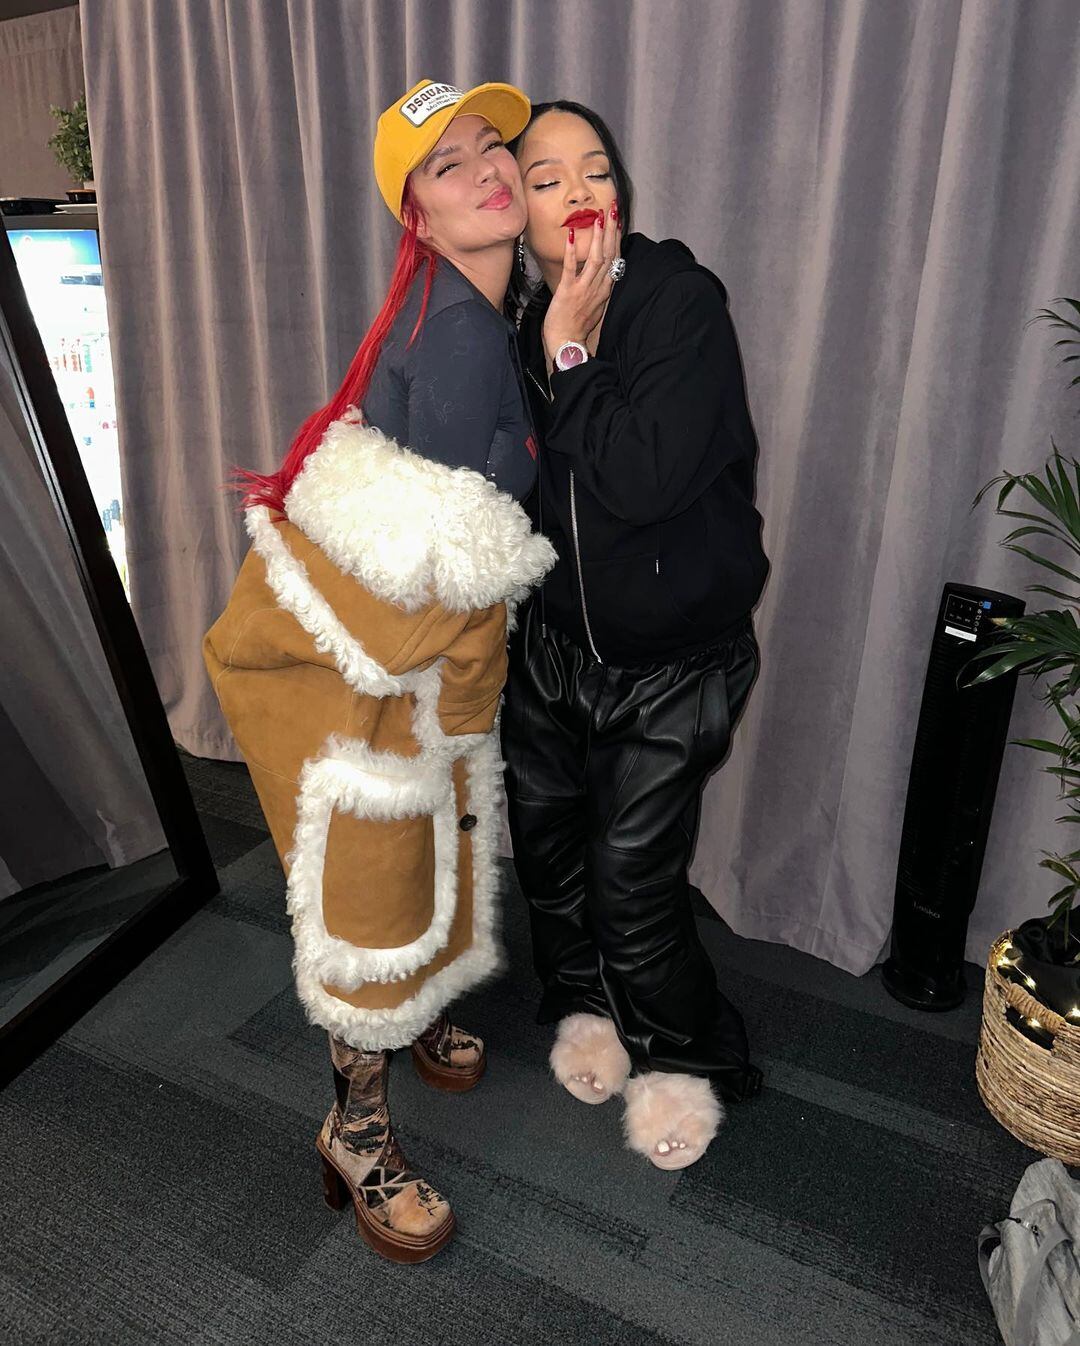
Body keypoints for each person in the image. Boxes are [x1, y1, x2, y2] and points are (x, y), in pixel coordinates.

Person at [203, 79, 554, 1262]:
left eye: (491, 145)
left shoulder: (474, 308)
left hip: (405, 647)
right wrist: (468, 696)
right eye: (449, 163)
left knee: (428, 846)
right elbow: (444, 565)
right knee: (372, 887)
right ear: (417, 210)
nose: (488, 168)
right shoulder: (459, 331)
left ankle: (420, 1011)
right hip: (382, 666)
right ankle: (354, 1130)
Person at [503, 100, 768, 1171]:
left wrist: (573, 353)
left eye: (595, 169)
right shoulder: (530, 315)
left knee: (630, 877)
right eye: (547, 178)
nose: (577, 191)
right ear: (518, 210)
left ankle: (687, 1058)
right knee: (551, 849)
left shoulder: (676, 302)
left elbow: (646, 477)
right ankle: (588, 1010)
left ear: (622, 192)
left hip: (672, 661)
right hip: (557, 646)